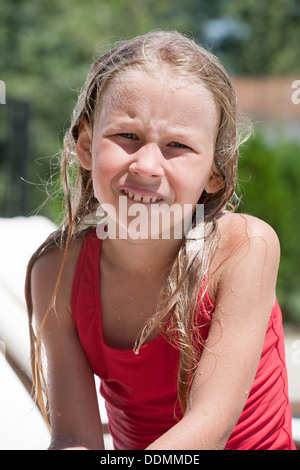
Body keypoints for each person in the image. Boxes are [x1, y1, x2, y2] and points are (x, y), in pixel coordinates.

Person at [25, 30, 296, 450]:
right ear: (84, 145)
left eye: (178, 145)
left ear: (214, 173)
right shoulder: (57, 274)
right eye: (127, 136)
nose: (148, 165)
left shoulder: (244, 249)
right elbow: (76, 437)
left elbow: (209, 428)